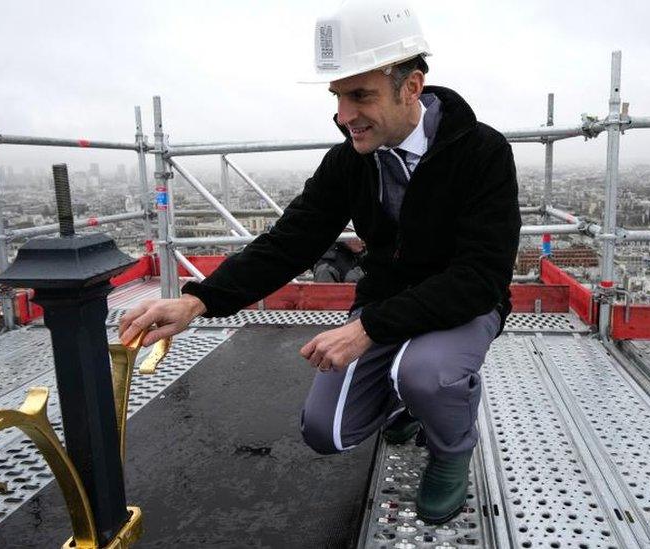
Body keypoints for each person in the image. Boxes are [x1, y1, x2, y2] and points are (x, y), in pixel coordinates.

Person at [120, 0, 520, 524]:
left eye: (360, 95)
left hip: (464, 306)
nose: (343, 116)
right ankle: (406, 404)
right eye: (338, 96)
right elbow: (292, 240)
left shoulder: (481, 152)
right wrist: (199, 300)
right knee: (326, 432)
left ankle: (451, 447)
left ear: (412, 87)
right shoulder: (351, 160)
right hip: (389, 304)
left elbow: (480, 277)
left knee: (426, 373)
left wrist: (368, 329)